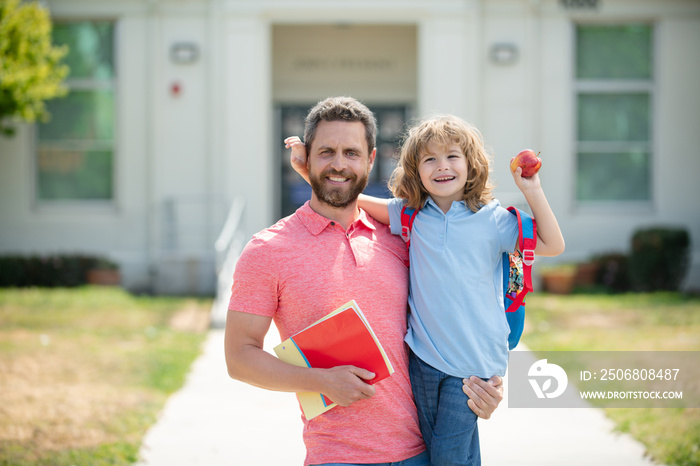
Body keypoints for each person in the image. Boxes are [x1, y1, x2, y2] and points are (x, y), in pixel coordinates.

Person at [226, 97, 504, 466]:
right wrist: (322, 381)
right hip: (337, 456)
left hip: (425, 450)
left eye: (351, 153)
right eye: (326, 152)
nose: (339, 163)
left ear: (371, 160)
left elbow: (464, 308)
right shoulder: (268, 251)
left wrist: (483, 384)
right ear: (306, 159)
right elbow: (239, 358)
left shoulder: (405, 237)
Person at [286, 113, 565, 465]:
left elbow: (552, 244)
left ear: (471, 164)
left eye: (452, 157)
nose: (441, 166)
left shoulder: (493, 220)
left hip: (472, 365)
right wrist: (308, 172)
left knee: (449, 457)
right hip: (424, 359)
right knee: (441, 452)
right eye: (429, 159)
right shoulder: (411, 215)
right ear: (416, 170)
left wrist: (532, 189)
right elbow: (349, 200)